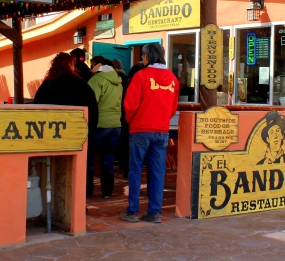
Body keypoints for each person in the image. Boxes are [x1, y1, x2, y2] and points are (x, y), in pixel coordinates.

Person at [120, 44, 178, 224]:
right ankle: (154, 212)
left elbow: (129, 105)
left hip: (140, 129)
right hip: (161, 131)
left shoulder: (140, 76)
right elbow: (172, 108)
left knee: (135, 171)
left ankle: (132, 212)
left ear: (146, 57)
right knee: (157, 172)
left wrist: (132, 121)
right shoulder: (173, 79)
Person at [33, 52, 98, 139]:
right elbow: (92, 109)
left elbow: (37, 107)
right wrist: (89, 132)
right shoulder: (80, 84)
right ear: (71, 65)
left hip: (51, 132)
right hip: (76, 131)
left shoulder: (47, 84)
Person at [87, 56, 123, 198]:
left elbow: (91, 102)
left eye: (92, 65)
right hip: (115, 124)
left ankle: (87, 191)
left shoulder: (96, 80)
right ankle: (107, 192)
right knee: (108, 159)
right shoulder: (118, 80)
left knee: (89, 158)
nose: (91, 68)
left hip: (100, 124)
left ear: (99, 65)